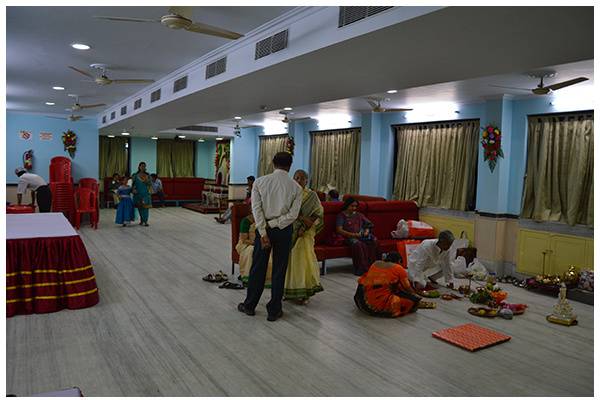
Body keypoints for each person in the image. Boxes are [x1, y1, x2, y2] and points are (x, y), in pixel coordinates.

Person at [238, 152, 302, 322]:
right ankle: (274, 310)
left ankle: (250, 305)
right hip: (284, 230)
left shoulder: (260, 182)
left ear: (273, 163)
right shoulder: (296, 187)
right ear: (290, 165)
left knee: (258, 268)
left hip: (263, 230)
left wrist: (264, 231)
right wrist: (275, 224)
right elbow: (293, 215)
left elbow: (256, 210)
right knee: (279, 270)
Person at [284, 170, 324, 304]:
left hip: (305, 234)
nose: (298, 180)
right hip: (289, 231)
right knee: (290, 262)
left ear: (307, 181)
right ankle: (288, 290)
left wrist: (304, 226)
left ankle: (304, 292)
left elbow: (318, 214)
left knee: (302, 262)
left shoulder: (312, 196)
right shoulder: (288, 194)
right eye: (296, 178)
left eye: (302, 178)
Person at [354, 252, 421, 317]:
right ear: (399, 261)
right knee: (413, 301)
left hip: (361, 300)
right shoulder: (398, 268)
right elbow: (407, 287)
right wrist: (416, 295)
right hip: (376, 305)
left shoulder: (375, 263)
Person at [336, 197, 379, 276]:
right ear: (347, 205)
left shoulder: (359, 215)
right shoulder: (341, 215)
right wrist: (353, 235)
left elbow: (368, 225)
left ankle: (372, 266)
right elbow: (339, 230)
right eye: (352, 206)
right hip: (348, 237)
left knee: (374, 240)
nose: (354, 208)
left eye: (355, 206)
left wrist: (366, 231)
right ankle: (361, 269)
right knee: (358, 244)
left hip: (361, 235)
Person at [235, 213, 273, 287]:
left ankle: (267, 279)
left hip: (264, 242)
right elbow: (244, 239)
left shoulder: (267, 220)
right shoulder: (246, 221)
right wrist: (257, 243)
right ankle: (249, 277)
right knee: (251, 251)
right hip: (247, 243)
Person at [131, 162, 152, 226]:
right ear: (139, 167)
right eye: (142, 166)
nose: (143, 167)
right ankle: (142, 220)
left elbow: (150, 184)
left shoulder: (148, 175)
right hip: (138, 193)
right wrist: (133, 190)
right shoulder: (135, 175)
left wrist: (146, 181)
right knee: (140, 207)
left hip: (145, 193)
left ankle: (145, 221)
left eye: (144, 166)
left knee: (145, 208)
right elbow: (133, 184)